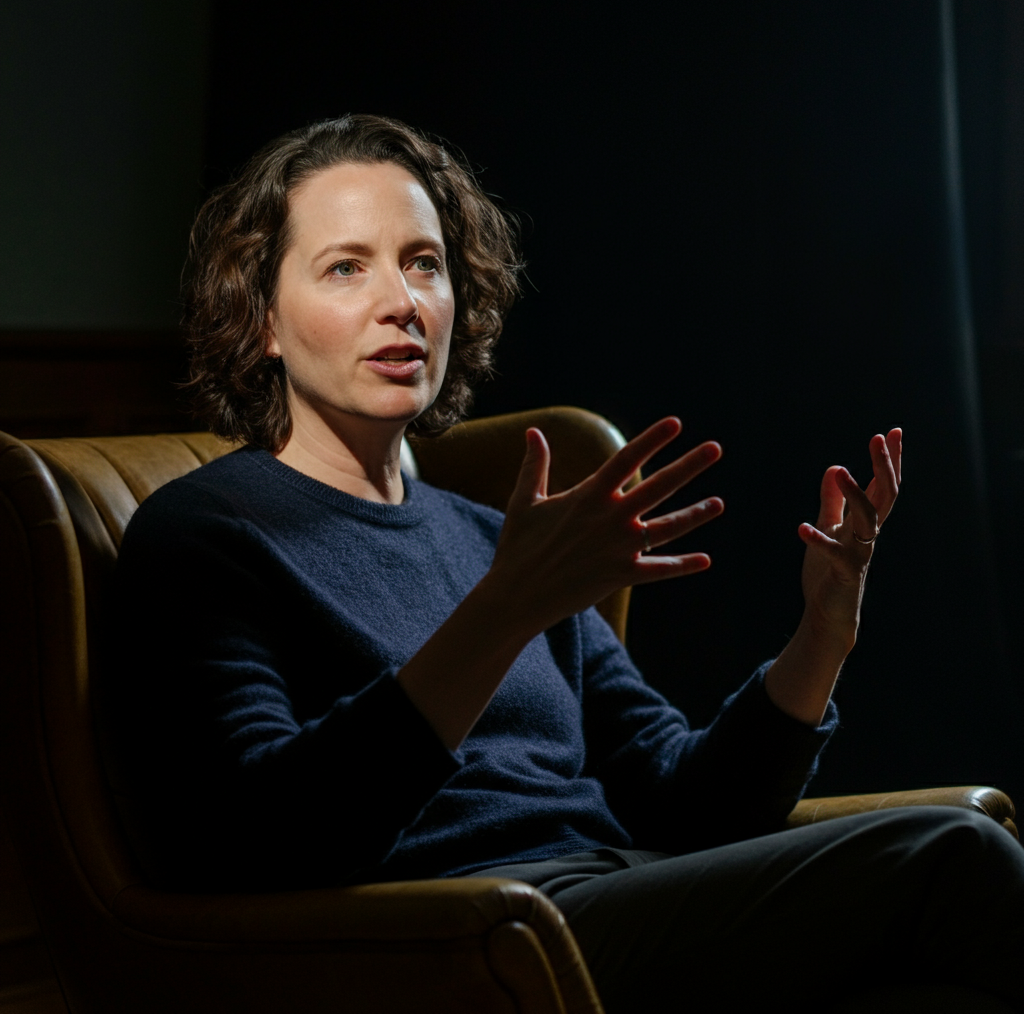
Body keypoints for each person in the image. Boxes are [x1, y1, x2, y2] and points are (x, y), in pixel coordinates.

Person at [107, 114, 1024, 1012]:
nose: (403, 301)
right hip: (464, 937)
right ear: (261, 319)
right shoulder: (206, 533)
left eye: (424, 263)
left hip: (617, 894)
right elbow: (259, 840)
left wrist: (821, 636)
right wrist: (505, 610)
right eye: (347, 267)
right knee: (956, 855)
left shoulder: (484, 536)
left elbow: (686, 803)